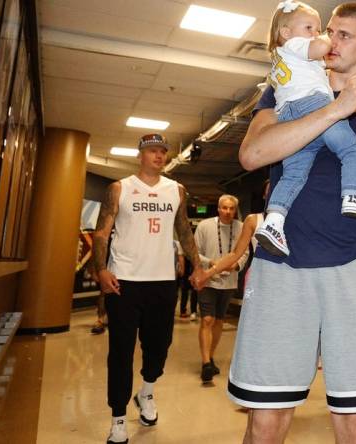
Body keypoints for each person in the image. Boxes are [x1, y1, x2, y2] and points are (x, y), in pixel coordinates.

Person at [198, 3, 356, 442]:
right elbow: (253, 155)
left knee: (355, 418)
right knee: (266, 416)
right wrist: (335, 109)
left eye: (344, 35)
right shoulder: (284, 90)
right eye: (329, 31)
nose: (330, 41)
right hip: (283, 263)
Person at [91, 133, 206, 444]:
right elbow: (102, 232)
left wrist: (196, 266)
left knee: (159, 346)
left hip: (162, 281)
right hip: (124, 281)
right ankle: (117, 418)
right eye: (152, 151)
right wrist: (101, 269)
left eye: (162, 151)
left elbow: (183, 228)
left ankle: (147, 393)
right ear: (140, 155)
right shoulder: (120, 188)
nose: (158, 155)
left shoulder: (176, 190)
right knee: (121, 352)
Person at [253, 0, 356, 258]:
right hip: (313, 103)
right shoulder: (295, 44)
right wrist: (325, 39)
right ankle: (353, 195)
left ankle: (274, 222)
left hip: (289, 113)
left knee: (294, 174)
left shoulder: (290, 57)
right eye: (312, 27)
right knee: (351, 148)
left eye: (341, 34)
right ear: (286, 32)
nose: (323, 35)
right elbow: (322, 46)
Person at [193, 194, 248, 383]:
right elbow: (194, 252)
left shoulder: (241, 228)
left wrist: (236, 265)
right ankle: (206, 363)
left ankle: (211, 356)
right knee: (207, 319)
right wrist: (211, 262)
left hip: (229, 282)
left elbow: (245, 252)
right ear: (218, 209)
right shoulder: (204, 226)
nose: (228, 212)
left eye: (232, 208)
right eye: (224, 208)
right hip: (208, 280)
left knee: (218, 321)